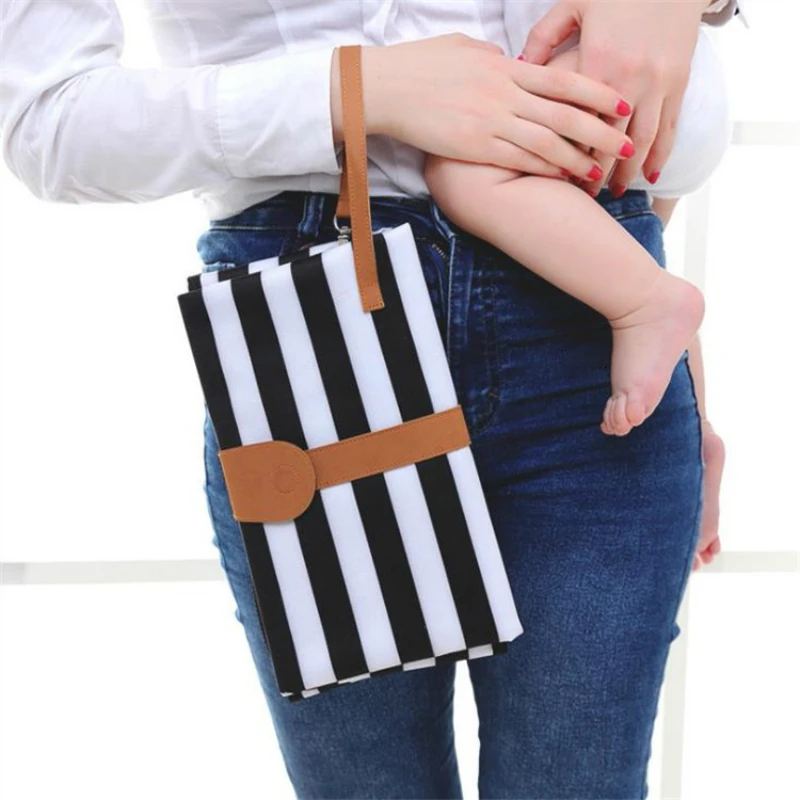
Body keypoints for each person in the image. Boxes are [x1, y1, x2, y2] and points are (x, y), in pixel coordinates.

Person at [0, 1, 738, 796]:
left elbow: (644, 118)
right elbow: (49, 123)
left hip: (591, 304)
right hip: (319, 337)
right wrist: (360, 89)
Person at [426, 20, 730, 437]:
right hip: (671, 85)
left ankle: (647, 302)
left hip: (625, 66)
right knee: (627, 255)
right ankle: (699, 419)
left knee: (462, 166)